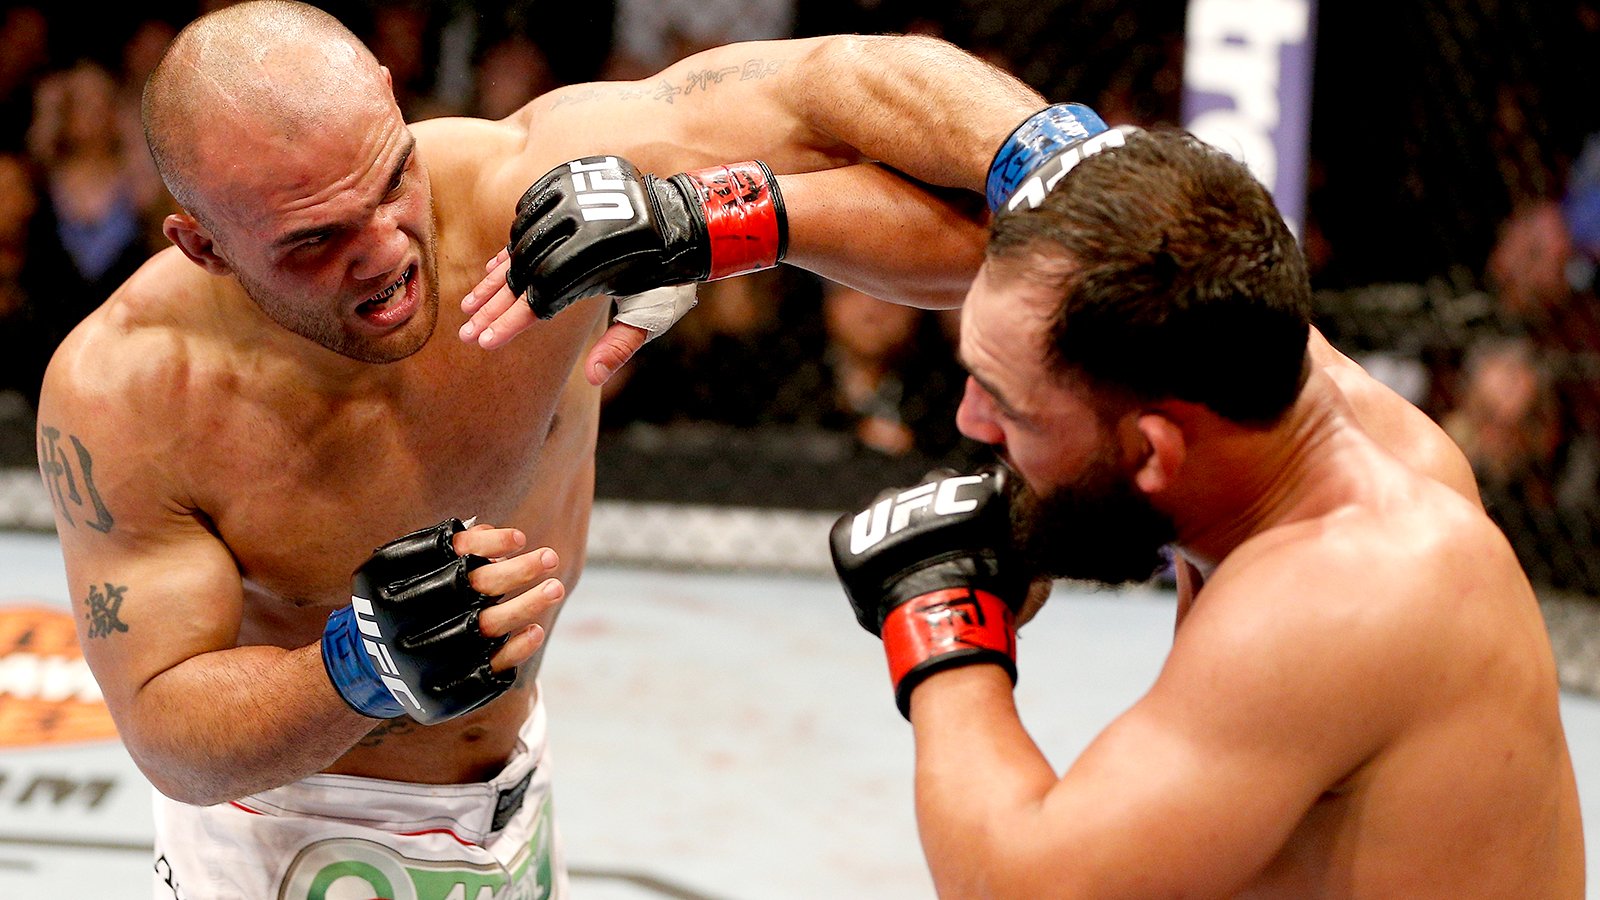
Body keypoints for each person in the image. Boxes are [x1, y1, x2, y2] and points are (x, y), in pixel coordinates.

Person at [35, 2, 1047, 896]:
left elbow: (846, 89)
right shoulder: (129, 391)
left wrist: (1049, 158)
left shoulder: (522, 185)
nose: (383, 248)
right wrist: (355, 665)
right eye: (315, 239)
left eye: (392, 181)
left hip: (518, 792)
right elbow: (169, 733)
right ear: (202, 244)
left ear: (395, 104)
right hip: (279, 835)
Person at [823, 120, 1585, 895]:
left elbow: (1025, 887)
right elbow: (1102, 190)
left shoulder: (1337, 592)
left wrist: (940, 614)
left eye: (1010, 406)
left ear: (1154, 453)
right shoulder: (1248, 377)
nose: (969, 424)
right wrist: (742, 222)